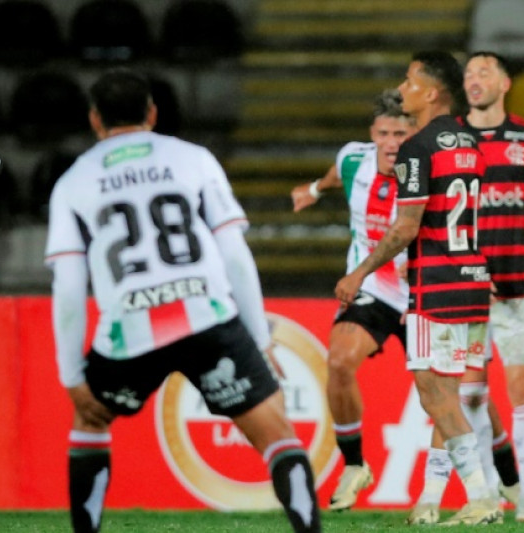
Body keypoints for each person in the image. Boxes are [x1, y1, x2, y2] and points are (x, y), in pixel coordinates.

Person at [45, 68, 320, 533]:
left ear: (95, 119)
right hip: (208, 319)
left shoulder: (74, 181)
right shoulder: (193, 159)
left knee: (89, 422)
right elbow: (234, 252)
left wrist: (71, 373)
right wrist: (258, 338)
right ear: (152, 112)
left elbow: (69, 287)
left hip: (129, 332)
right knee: (277, 434)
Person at [334, 51, 501, 526]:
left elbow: (404, 229)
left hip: (437, 281)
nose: (402, 89)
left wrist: (359, 272)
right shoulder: (470, 141)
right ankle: (429, 500)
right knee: (444, 394)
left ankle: (480, 496)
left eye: (409, 82)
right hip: (472, 277)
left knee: (435, 394)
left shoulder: (417, 148)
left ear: (430, 93)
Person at [410, 51, 524, 523]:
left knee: (522, 387)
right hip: (465, 281)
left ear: (505, 82)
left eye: (485, 72)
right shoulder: (450, 137)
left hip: (516, 280)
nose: (475, 80)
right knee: (468, 393)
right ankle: (487, 494)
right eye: (469, 73)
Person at [289, 89, 415, 511]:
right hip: (374, 288)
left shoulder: (429, 168)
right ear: (372, 134)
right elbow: (334, 175)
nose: (393, 141)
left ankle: (500, 477)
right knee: (339, 362)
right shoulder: (354, 159)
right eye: (385, 132)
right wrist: (313, 189)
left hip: (424, 291)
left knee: (460, 396)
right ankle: (354, 464)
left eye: (401, 131)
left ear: (414, 131)